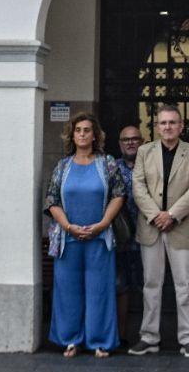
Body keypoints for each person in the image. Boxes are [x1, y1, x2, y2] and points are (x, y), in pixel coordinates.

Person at [45, 113, 127, 357]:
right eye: (78, 130)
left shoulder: (108, 163)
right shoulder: (62, 166)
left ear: (95, 135)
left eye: (87, 130)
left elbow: (119, 194)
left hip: (100, 238)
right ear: (72, 135)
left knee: (99, 290)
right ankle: (71, 340)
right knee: (68, 291)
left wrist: (103, 223)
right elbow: (52, 200)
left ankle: (99, 341)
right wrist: (69, 226)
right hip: (68, 239)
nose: (82, 134)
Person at [128, 105, 189, 358]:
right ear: (156, 126)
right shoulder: (144, 152)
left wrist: (172, 214)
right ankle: (149, 337)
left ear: (181, 126)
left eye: (172, 122)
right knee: (151, 285)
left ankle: (187, 338)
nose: (168, 127)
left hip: (181, 227)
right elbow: (138, 186)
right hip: (151, 228)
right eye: (163, 123)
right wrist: (155, 215)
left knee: (184, 285)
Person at [113, 124, 144, 335]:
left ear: (142, 142)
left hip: (147, 237)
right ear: (120, 144)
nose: (130, 142)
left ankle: (147, 333)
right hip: (120, 239)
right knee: (120, 287)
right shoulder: (111, 168)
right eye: (126, 139)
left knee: (147, 288)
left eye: (134, 139)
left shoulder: (151, 166)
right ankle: (121, 332)